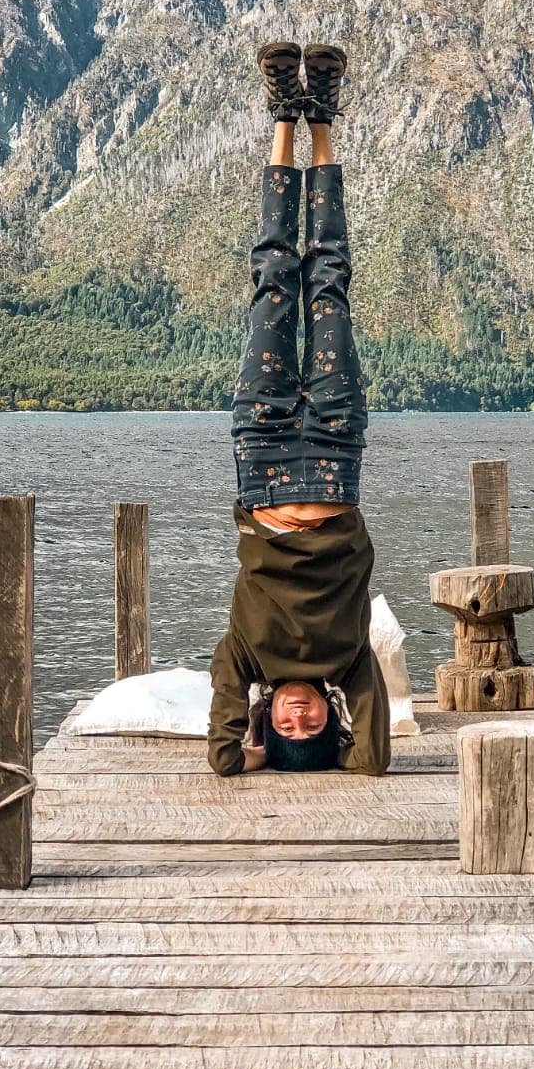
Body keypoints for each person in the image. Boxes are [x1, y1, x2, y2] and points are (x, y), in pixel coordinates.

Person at [207, 41, 390, 776]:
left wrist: (253, 754)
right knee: (332, 285)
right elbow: (372, 764)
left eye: (291, 728)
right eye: (313, 725)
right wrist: (341, 748)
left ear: (269, 721)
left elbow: (221, 761)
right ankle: (323, 121)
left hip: (262, 459)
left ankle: (284, 115)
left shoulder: (241, 656)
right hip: (335, 458)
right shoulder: (348, 663)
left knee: (274, 278)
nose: (300, 717)